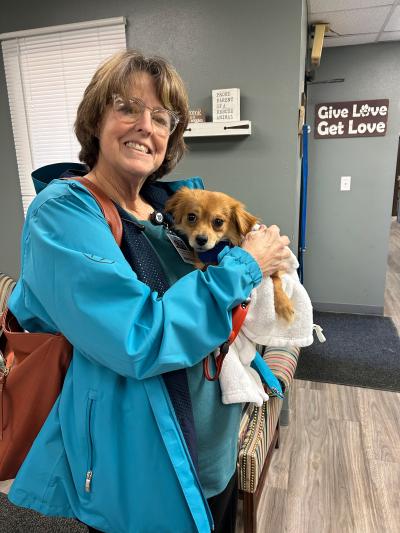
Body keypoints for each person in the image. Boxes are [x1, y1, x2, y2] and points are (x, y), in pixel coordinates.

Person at [7, 50, 291, 533]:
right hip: (139, 468)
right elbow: (140, 336)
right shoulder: (63, 213)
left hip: (210, 453)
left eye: (161, 117)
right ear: (96, 118)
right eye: (126, 107)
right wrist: (247, 264)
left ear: (171, 137)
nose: (145, 125)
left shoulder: (170, 210)